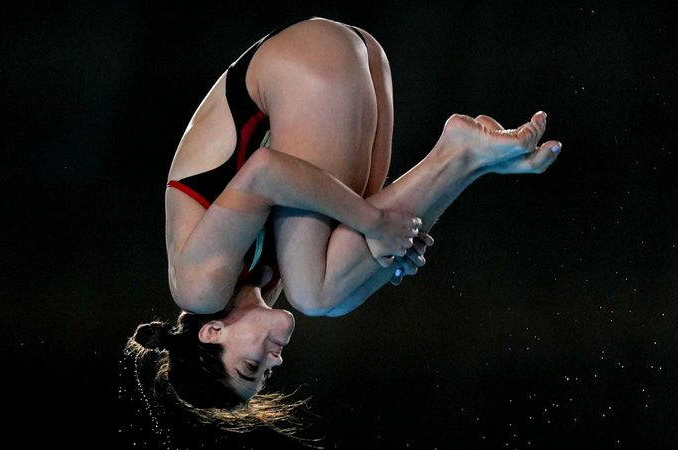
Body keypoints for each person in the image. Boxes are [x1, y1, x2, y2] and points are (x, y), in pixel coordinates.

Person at [126, 16, 562, 434]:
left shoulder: (198, 287)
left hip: (305, 66)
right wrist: (389, 251)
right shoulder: (260, 284)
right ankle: (468, 160)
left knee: (318, 294)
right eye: (266, 375)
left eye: (251, 366)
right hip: (348, 62)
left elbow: (265, 172)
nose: (274, 361)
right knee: (340, 282)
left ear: (212, 332)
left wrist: (374, 225)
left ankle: (462, 156)